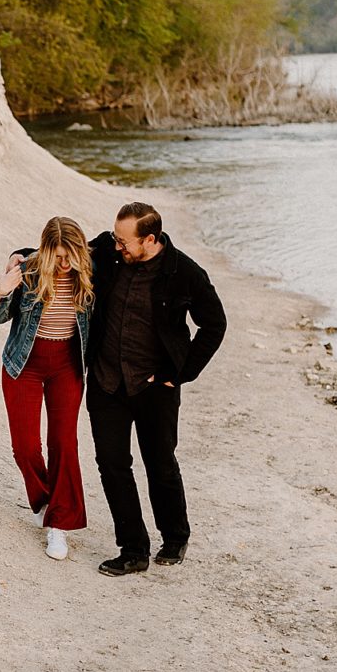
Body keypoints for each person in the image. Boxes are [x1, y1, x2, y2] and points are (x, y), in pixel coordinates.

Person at [85, 203, 225, 575]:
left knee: (160, 464)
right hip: (106, 381)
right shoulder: (110, 251)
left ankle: (175, 537)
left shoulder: (184, 272)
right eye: (115, 238)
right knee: (112, 465)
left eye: (124, 242)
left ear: (150, 239)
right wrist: (23, 255)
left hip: (155, 388)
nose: (117, 247)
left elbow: (214, 325)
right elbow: (66, 249)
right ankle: (133, 550)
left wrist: (180, 373)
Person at [0, 217, 94, 560]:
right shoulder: (29, 271)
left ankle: (59, 525)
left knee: (63, 443)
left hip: (67, 365)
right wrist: (2, 290)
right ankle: (44, 502)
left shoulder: (90, 271)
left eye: (70, 256)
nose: (65, 263)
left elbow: (110, 242)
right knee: (25, 448)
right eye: (58, 256)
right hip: (24, 364)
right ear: (46, 251)